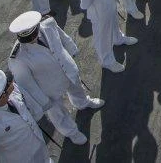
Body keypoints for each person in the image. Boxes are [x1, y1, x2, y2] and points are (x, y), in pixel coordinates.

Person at [6, 11, 103, 146]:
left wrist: (72, 50)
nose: (32, 40)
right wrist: (43, 101)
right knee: (58, 114)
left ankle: (82, 102)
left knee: (77, 89)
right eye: (27, 40)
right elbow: (26, 83)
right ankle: (71, 132)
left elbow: (62, 37)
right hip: (49, 87)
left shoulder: (49, 24)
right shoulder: (17, 58)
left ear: (37, 27)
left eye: (33, 35)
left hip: (67, 69)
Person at [0, 68, 48, 163]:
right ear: (3, 95)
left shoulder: (12, 92)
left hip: (38, 145)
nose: (12, 82)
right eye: (9, 83)